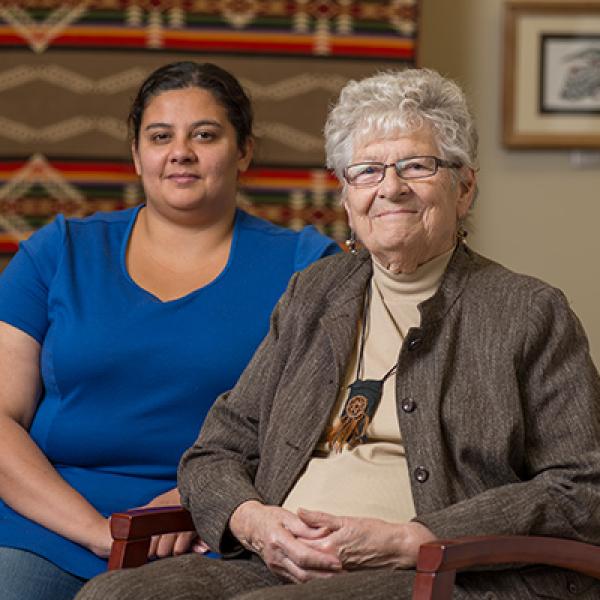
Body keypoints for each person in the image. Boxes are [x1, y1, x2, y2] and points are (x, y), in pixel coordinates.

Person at [77, 68, 600, 600]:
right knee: (112, 596)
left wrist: (414, 540)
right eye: (367, 171)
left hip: (437, 576)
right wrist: (254, 522)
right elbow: (216, 450)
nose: (390, 188)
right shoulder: (315, 293)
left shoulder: (527, 311)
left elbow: (583, 488)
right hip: (279, 563)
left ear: (464, 187)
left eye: (416, 167)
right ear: (347, 198)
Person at [0, 61, 340, 600]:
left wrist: (202, 497)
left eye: (205, 134)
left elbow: (317, 430)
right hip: (45, 527)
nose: (181, 151)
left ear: (244, 150)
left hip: (207, 533)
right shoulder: (58, 252)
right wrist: (96, 531)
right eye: (161, 137)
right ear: (138, 155)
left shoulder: (307, 266)